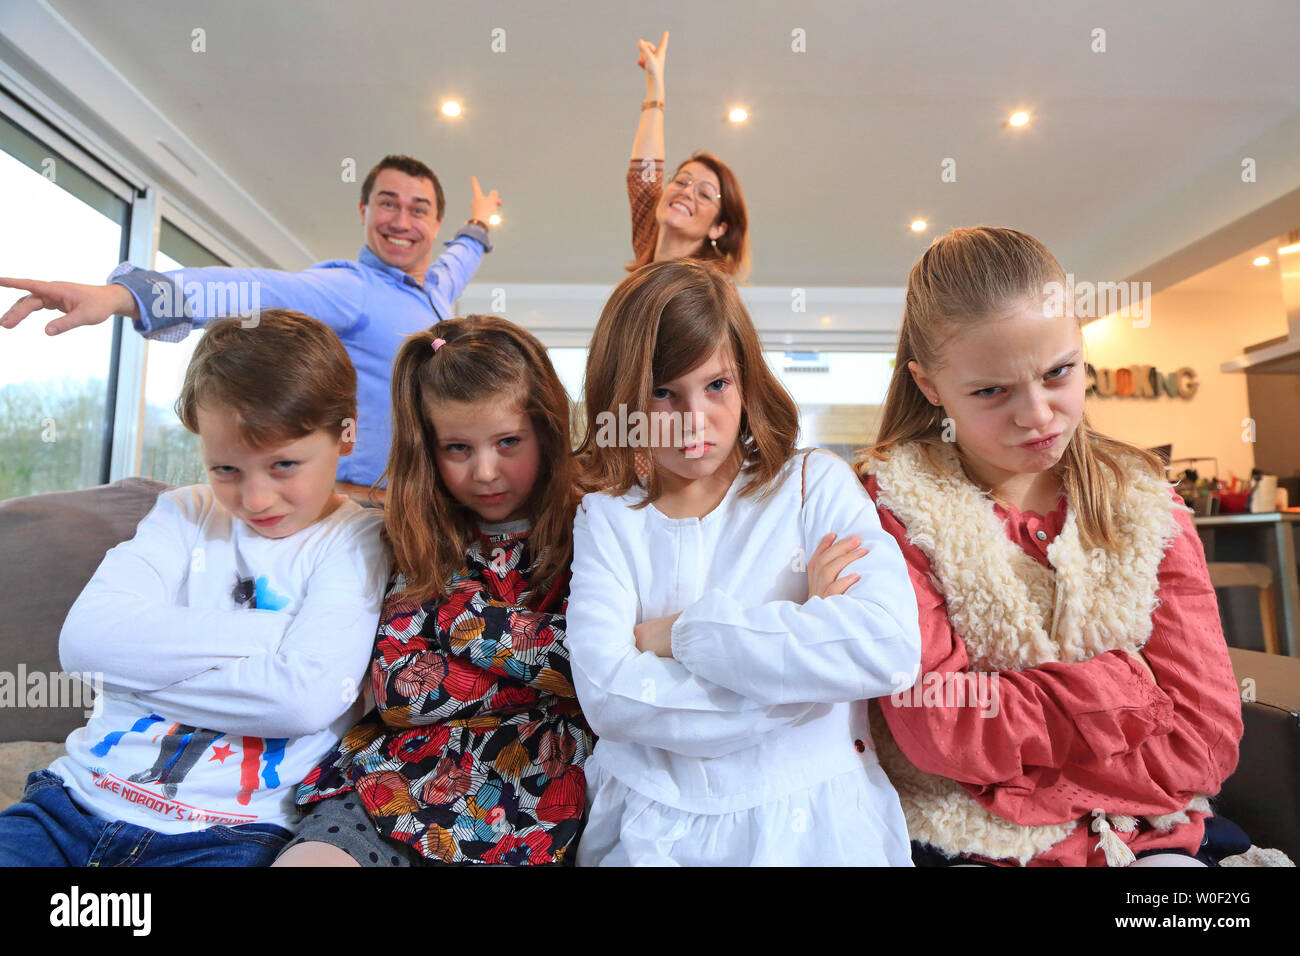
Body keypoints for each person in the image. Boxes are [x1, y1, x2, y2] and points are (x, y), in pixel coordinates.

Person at [855, 226, 1243, 867]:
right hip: (971, 845)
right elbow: (941, 731)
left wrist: (1010, 766)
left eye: (1058, 372)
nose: (1037, 415)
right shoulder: (891, 509)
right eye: (990, 391)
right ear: (929, 386)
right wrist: (1127, 689)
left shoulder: (1146, 502)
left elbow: (1204, 745)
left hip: (1150, 839)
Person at [0, 310, 388, 866]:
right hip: (71, 805)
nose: (255, 499)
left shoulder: (359, 538)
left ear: (345, 433)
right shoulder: (183, 512)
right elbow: (84, 645)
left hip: (232, 835)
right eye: (226, 469)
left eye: (284, 464)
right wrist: (274, 637)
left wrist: (136, 675)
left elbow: (303, 701)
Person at [567, 259, 920, 866]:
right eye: (662, 393)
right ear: (621, 397)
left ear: (748, 378)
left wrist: (684, 634)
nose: (694, 419)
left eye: (716, 385)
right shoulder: (607, 516)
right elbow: (610, 701)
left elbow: (887, 647)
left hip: (819, 826)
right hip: (651, 830)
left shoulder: (813, 483)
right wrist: (806, 667)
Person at [276, 315, 593, 866]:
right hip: (394, 782)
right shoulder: (423, 535)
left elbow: (592, 667)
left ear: (546, 429)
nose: (486, 471)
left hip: (538, 804)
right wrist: (540, 676)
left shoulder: (592, 527)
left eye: (508, 442)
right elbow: (400, 692)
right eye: (458, 448)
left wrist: (461, 624)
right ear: (428, 447)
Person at [0, 155, 502, 497]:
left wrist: (479, 222)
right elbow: (255, 290)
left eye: (419, 210)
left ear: (436, 223)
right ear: (364, 210)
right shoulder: (351, 289)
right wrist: (124, 296)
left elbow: (460, 258)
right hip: (367, 505)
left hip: (425, 504)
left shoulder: (436, 293)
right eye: (388, 203)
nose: (402, 221)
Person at [626, 31, 750, 280]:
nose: (687, 192)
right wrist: (655, 89)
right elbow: (644, 175)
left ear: (718, 228)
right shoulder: (650, 254)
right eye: (682, 181)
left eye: (704, 194)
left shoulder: (708, 290)